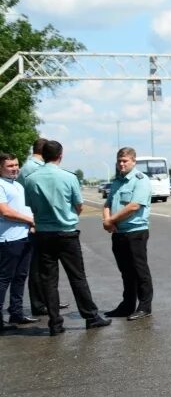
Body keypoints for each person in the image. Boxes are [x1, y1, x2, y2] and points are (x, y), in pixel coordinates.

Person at [22, 140, 111, 336]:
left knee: (48, 280)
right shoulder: (69, 177)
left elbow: (31, 206)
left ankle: (55, 323)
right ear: (60, 156)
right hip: (66, 233)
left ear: (42, 155)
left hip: (43, 234)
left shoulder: (31, 179)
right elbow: (79, 205)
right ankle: (91, 316)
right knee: (77, 276)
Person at [103, 147, 154, 320]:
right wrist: (107, 220)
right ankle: (127, 305)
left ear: (133, 161)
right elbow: (107, 203)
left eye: (125, 161)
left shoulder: (141, 180)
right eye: (119, 161)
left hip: (135, 232)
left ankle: (145, 306)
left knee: (140, 271)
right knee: (125, 271)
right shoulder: (117, 182)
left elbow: (134, 206)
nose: (121, 164)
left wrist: (111, 220)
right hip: (118, 233)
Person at [18, 137, 55, 317]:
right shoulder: (34, 168)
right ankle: (39, 304)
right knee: (37, 266)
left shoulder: (29, 166)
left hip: (33, 219)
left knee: (41, 265)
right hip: (34, 220)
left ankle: (46, 300)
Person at [0, 153, 38, 331]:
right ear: (1, 168)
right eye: (10, 166)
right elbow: (5, 212)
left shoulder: (17, 185)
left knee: (20, 277)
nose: (15, 168)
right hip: (8, 240)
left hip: (24, 237)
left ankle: (16, 312)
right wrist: (29, 220)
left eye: (16, 165)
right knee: (4, 280)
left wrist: (30, 223)